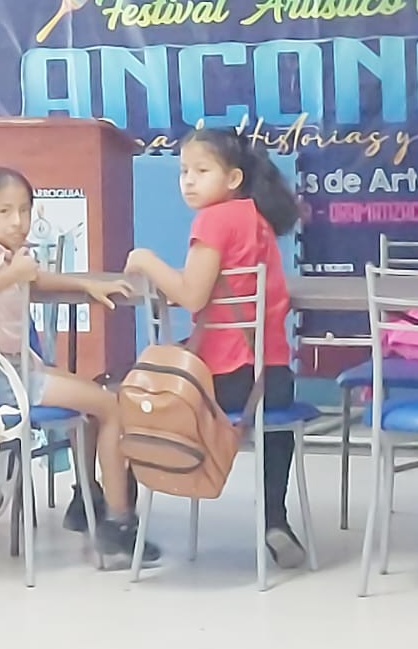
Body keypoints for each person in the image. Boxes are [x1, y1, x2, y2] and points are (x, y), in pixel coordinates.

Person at [0, 167, 148, 564]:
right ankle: (119, 523)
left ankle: (88, 501)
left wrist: (86, 285)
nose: (18, 221)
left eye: (24, 210)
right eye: (5, 211)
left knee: (93, 404)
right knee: (109, 406)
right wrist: (11, 275)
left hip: (15, 368)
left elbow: (33, 281)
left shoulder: (2, 251)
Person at [123, 128, 308, 568]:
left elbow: (192, 296)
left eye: (201, 171)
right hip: (272, 377)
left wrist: (145, 259)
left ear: (233, 178)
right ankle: (275, 519)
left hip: (225, 378)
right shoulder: (255, 218)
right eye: (184, 171)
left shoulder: (214, 219)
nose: (188, 180)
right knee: (274, 425)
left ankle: (119, 519)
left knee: (130, 403)